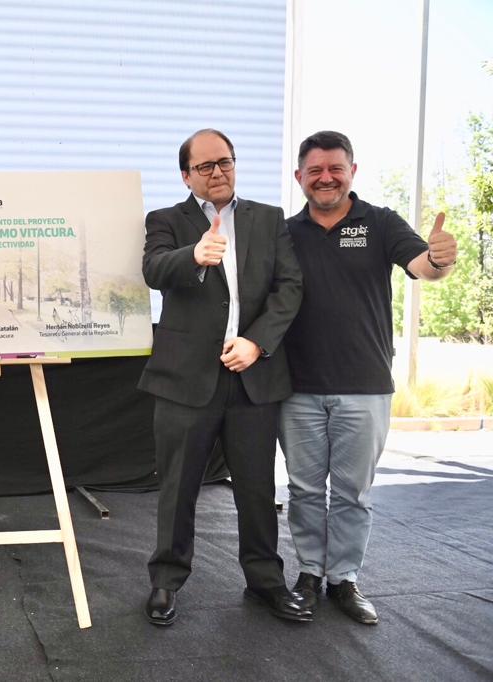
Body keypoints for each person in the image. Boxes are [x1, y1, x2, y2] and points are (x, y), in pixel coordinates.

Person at [281, 131, 457, 624]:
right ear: (299, 177)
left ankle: (344, 579)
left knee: (353, 493)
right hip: (296, 388)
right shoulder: (284, 232)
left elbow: (424, 266)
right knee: (304, 490)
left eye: (335, 168)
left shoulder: (379, 223)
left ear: (352, 171)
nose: (326, 178)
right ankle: (309, 574)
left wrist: (440, 259)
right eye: (315, 170)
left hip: (365, 386)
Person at [137, 128, 309, 626]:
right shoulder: (167, 220)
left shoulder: (267, 219)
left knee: (256, 489)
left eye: (225, 162)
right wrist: (194, 255)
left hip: (253, 376)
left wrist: (257, 342)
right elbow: (153, 269)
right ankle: (166, 581)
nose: (218, 172)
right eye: (205, 166)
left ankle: (265, 582)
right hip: (185, 381)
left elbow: (289, 287)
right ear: (186, 175)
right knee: (178, 488)